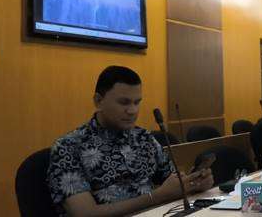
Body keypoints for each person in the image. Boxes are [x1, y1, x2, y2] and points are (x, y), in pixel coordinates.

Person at [47, 66, 214, 216]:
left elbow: (172, 183)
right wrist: (156, 196)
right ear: (98, 101)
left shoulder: (144, 138)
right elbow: (85, 213)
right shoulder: (68, 147)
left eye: (137, 102)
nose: (133, 110)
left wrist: (194, 183)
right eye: (124, 102)